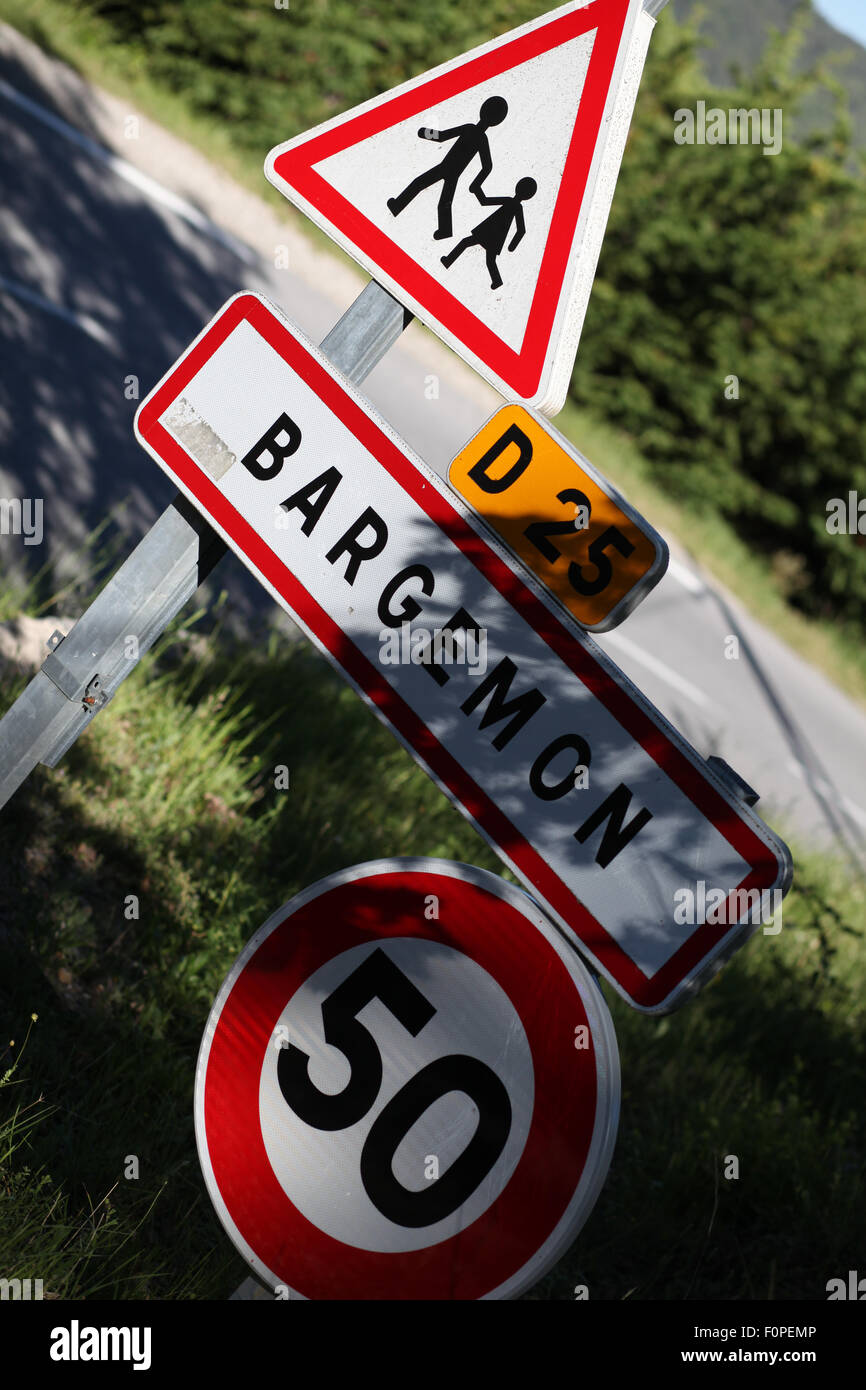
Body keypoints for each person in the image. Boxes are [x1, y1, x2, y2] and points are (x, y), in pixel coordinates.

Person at [387, 96, 508, 240]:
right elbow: (487, 167)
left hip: (446, 168)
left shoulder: (470, 129)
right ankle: (443, 229)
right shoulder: (481, 138)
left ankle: (398, 206)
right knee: (442, 200)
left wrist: (425, 133)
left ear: (483, 110)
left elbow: (442, 136)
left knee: (420, 184)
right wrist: (476, 184)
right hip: (453, 172)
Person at [440, 177, 537, 289]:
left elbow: (485, 201)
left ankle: (448, 261)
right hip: (496, 235)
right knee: (488, 260)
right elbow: (521, 230)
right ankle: (497, 281)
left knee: (468, 244)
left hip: (489, 230)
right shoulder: (517, 206)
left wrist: (477, 190)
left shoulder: (510, 202)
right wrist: (512, 246)